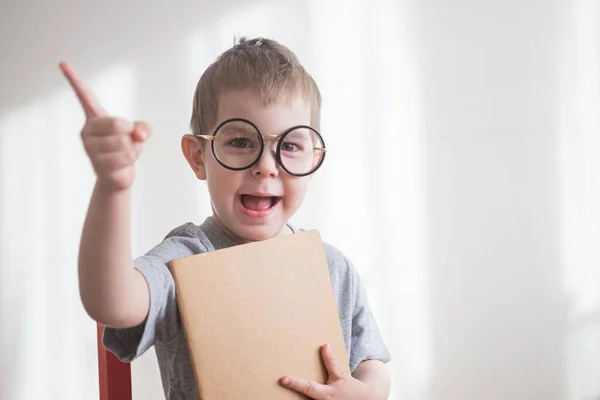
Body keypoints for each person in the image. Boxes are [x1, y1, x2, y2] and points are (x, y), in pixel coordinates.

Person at [60, 37, 391, 399]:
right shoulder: (184, 260)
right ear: (198, 156)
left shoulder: (333, 268)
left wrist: (364, 393)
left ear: (313, 159)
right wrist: (112, 187)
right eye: (241, 142)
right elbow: (111, 303)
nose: (266, 167)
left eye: (291, 146)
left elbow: (371, 367)